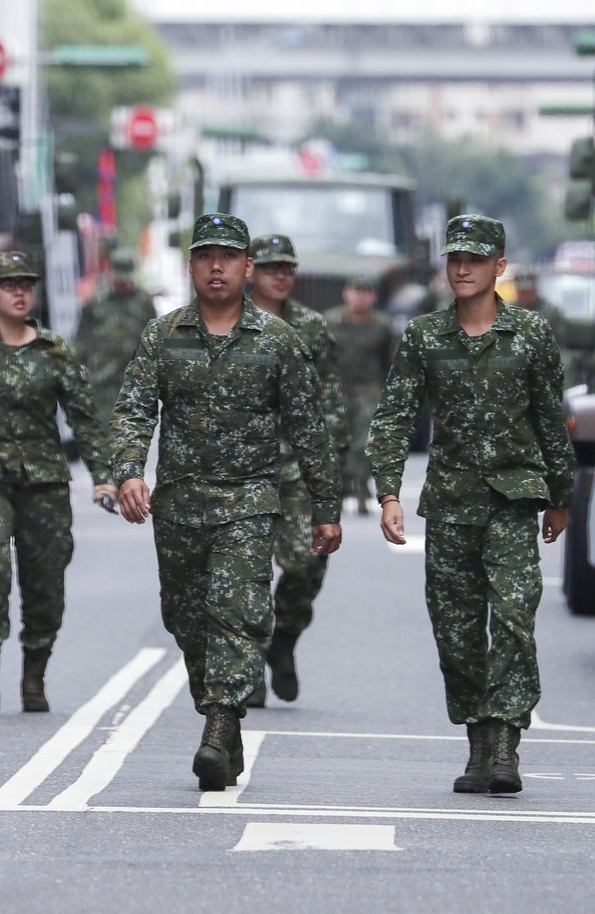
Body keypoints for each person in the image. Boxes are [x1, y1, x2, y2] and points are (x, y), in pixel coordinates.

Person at [110, 213, 343, 791]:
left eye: (229, 257)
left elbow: (310, 428)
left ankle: (219, 726)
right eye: (206, 256)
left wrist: (325, 508)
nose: (217, 267)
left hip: (249, 500)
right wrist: (128, 472)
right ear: (191, 266)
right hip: (179, 504)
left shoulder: (278, 339)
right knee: (187, 618)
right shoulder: (163, 335)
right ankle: (222, 714)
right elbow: (134, 409)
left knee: (236, 613)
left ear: (247, 267)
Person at [365, 214, 575, 795]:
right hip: (451, 504)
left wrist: (560, 497)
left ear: (498, 266)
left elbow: (550, 419)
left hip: (512, 501)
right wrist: (389, 493)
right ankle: (478, 742)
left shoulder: (530, 333)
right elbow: (394, 417)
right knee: (456, 632)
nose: (462, 269)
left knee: (512, 618)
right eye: (455, 259)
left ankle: (505, 743)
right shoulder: (425, 336)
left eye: (475, 260)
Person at [0, 251, 117, 714]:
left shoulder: (55, 350)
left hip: (44, 482)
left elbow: (85, 419)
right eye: (8, 285)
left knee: (45, 582)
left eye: (26, 285)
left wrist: (103, 478)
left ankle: (34, 677)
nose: (19, 293)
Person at [245, 233, 349, 707]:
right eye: (272, 268)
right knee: (242, 572)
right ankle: (247, 667)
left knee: (308, 564)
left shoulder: (311, 326)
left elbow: (331, 396)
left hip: (301, 468)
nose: (281, 276)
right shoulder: (229, 321)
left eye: (287, 268)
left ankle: (283, 637)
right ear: (252, 271)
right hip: (244, 467)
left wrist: (333, 462)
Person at [325, 274, 397, 514]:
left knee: (364, 444)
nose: (360, 297)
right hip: (336, 392)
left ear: (373, 296)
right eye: (356, 291)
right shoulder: (330, 321)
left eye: (365, 292)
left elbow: (390, 361)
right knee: (335, 443)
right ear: (346, 293)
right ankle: (339, 487)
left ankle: (362, 487)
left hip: (368, 391)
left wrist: (388, 394)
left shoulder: (382, 325)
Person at [74, 248, 157, 428]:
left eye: (126, 278)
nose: (123, 283)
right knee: (103, 430)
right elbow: (82, 339)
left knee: (132, 431)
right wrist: (77, 372)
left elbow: (154, 339)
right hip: (102, 380)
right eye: (119, 278)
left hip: (134, 381)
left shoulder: (143, 301)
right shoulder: (96, 301)